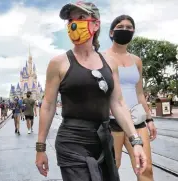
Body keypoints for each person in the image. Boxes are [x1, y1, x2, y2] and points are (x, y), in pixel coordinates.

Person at [35, 2, 147, 181]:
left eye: (80, 18)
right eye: (71, 19)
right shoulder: (58, 63)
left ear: (96, 25)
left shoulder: (110, 63)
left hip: (103, 140)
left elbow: (118, 103)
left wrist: (136, 141)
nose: (73, 24)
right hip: (71, 141)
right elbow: (47, 105)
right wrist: (40, 148)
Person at [106, 15, 157, 181]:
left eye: (129, 27)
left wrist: (149, 119)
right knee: (112, 168)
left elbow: (139, 92)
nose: (125, 30)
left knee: (146, 168)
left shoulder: (137, 60)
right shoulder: (102, 57)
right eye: (121, 26)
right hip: (112, 121)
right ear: (112, 32)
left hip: (136, 119)